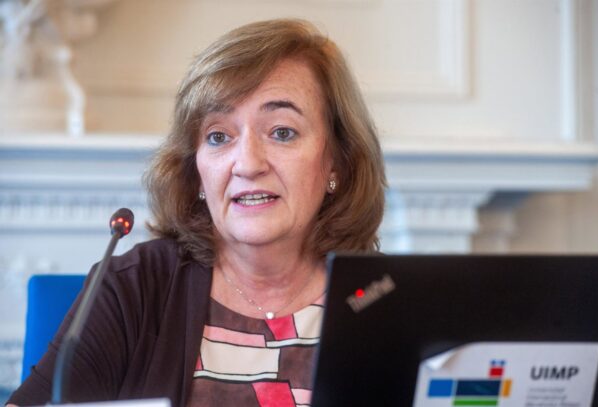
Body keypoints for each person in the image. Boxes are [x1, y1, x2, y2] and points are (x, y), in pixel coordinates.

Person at [7, 18, 386, 407]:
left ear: (337, 161)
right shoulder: (135, 287)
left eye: (281, 132)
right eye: (219, 136)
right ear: (197, 173)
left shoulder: (385, 299)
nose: (248, 164)